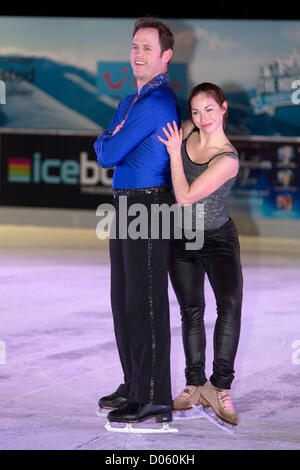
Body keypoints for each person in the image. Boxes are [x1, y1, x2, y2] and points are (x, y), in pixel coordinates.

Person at [94, 17, 181, 426]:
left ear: (166, 57)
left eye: (147, 48)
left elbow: (107, 152)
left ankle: (154, 397)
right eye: (134, 47)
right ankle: (134, 384)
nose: (138, 55)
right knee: (123, 302)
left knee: (145, 304)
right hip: (125, 206)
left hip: (149, 207)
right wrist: (111, 138)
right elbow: (106, 144)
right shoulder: (128, 102)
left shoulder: (156, 104)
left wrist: (111, 139)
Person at [158, 82, 243, 426]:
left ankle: (219, 387)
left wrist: (174, 155)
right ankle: (194, 383)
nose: (202, 117)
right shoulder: (188, 129)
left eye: (209, 109)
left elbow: (186, 197)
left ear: (224, 108)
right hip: (182, 237)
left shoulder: (228, 159)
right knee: (191, 310)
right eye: (195, 110)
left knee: (229, 307)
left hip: (219, 240)